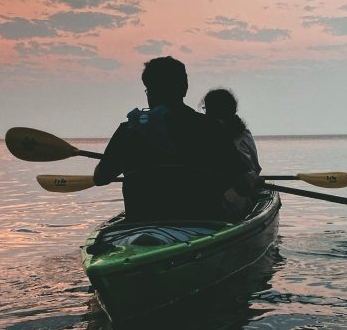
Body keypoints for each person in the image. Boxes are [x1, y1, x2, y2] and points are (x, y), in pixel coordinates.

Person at [94, 57, 253, 222]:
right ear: (184, 88)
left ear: (149, 90)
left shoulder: (129, 129)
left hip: (141, 220)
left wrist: (123, 159)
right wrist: (252, 178)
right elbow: (241, 183)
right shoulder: (211, 127)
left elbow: (100, 178)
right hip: (201, 221)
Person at [201, 88, 261, 217]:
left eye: (206, 109)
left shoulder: (205, 136)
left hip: (229, 198)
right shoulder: (245, 134)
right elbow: (256, 168)